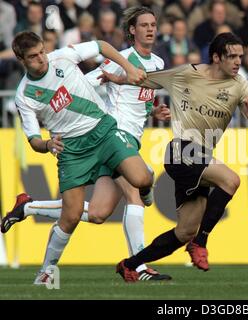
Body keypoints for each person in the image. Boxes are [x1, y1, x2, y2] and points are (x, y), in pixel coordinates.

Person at [1, 7, 172, 281]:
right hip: (80, 146)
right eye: (33, 57)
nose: (41, 60)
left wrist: (150, 106)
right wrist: (47, 145)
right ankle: (52, 273)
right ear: (21, 59)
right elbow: (33, 138)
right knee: (78, 214)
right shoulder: (25, 95)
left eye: (42, 52)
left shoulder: (64, 57)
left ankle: (29, 208)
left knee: (107, 207)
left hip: (103, 133)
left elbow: (112, 61)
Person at [102, 32, 248, 282]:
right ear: (216, 57)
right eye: (232, 56)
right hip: (181, 150)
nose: (237, 62)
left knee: (184, 230)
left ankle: (130, 264)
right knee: (231, 180)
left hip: (200, 158)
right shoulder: (186, 74)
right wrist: (116, 78)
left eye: (240, 57)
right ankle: (200, 243)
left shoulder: (240, 85)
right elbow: (145, 80)